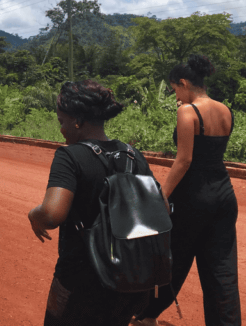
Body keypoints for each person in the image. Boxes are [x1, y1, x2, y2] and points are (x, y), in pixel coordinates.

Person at [28, 79, 153, 325]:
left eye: (62, 122)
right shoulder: (132, 155)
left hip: (80, 280)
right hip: (128, 279)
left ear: (77, 121)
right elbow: (150, 216)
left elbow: (52, 213)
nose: (61, 130)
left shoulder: (70, 156)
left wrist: (34, 215)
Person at [135, 55, 241, 325]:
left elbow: (184, 160)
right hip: (224, 195)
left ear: (184, 83)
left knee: (174, 259)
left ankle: (147, 316)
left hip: (193, 198)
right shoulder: (225, 109)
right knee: (222, 269)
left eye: (175, 89)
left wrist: (161, 197)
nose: (176, 96)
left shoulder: (187, 112)